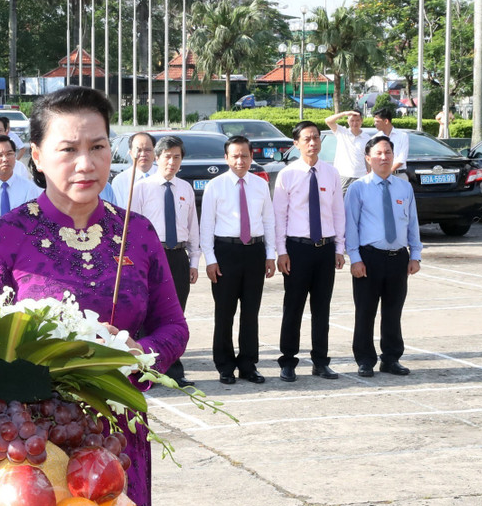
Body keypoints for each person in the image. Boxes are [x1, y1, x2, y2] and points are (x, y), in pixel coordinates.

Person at [0, 86, 189, 506]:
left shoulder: (138, 232)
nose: (86, 164)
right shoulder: (5, 235)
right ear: (38, 156)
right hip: (31, 446)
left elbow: (173, 327)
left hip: (118, 436)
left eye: (98, 147)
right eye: (68, 149)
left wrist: (136, 353)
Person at [273, 121, 346, 382]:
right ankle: (288, 361)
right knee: (293, 307)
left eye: (316, 138)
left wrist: (339, 248)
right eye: (307, 139)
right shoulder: (288, 175)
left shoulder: (331, 173)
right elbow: (279, 216)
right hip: (297, 249)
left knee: (322, 308)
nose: (313, 143)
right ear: (296, 144)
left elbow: (338, 212)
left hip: (325, 249)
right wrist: (281, 252)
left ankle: (320, 361)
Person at [200, 135, 276, 385]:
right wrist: (210, 259)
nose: (240, 160)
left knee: (250, 312)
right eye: (235, 156)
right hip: (225, 252)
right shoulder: (216, 185)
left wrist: (270, 254)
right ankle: (224, 365)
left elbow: (268, 221)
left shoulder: (260, 184)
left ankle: (248, 364)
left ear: (251, 156)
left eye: (244, 155)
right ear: (226, 158)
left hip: (254, 252)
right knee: (225, 312)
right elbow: (207, 225)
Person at [345, 135, 422, 377]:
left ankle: (391, 358)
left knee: (393, 310)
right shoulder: (359, 188)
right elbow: (350, 227)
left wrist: (415, 254)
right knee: (365, 311)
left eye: (388, 152)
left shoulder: (404, 187)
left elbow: (412, 224)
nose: (384, 157)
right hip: (369, 258)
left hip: (398, 257)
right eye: (378, 153)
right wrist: (355, 258)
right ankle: (365, 359)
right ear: (368, 158)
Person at [130, 136, 199, 387]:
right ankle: (147, 367)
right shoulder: (142, 188)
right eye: (167, 156)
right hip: (150, 257)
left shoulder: (185, 189)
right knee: (146, 313)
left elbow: (193, 228)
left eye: (177, 157)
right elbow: (132, 229)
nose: (172, 161)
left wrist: (194, 262)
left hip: (178, 255)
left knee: (176, 313)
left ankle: (174, 369)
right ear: (157, 158)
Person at [325, 110, 370, 192]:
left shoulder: (366, 137)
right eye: (352, 120)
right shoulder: (342, 132)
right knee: (341, 202)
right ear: (348, 121)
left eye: (357, 120)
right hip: (344, 175)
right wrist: (344, 113)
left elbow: (368, 158)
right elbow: (328, 121)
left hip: (361, 176)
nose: (355, 123)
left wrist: (370, 173)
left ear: (361, 121)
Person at [112, 132, 156, 206]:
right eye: (138, 150)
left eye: (147, 150)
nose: (143, 154)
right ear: (131, 153)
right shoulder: (120, 181)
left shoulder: (163, 176)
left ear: (155, 152)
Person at [372, 107, 409, 173]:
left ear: (386, 121)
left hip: (399, 175)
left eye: (377, 121)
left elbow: (402, 159)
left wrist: (388, 172)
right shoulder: (375, 138)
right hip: (381, 175)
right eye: (374, 121)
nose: (375, 124)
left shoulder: (402, 136)